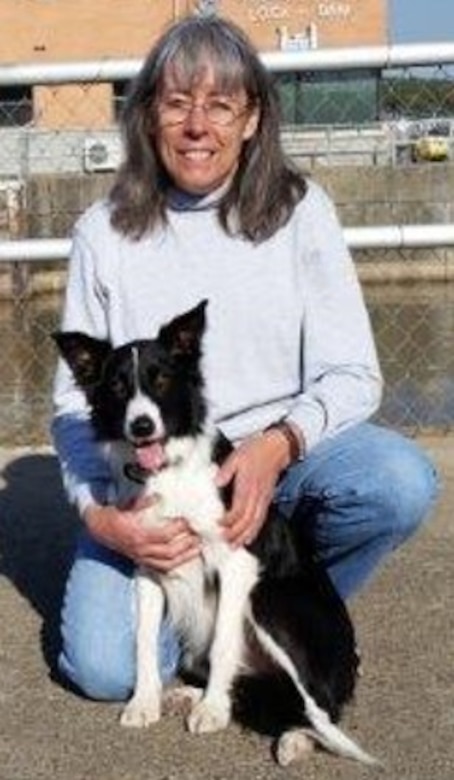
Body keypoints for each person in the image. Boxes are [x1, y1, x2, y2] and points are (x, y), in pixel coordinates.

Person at [52, 15, 439, 701]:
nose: (198, 125)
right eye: (176, 103)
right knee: (105, 671)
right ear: (147, 118)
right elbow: (68, 407)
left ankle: (290, 623)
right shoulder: (102, 232)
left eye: (221, 104)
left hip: (277, 460)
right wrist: (102, 517)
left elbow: (354, 373)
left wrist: (281, 442)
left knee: (397, 480)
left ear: (253, 118)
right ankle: (202, 638)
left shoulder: (301, 211)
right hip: (155, 481)